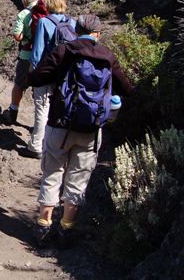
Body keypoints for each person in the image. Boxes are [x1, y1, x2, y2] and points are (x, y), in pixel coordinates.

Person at [27, 14, 133, 247]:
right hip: (91, 130)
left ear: (76, 30)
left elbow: (35, 77)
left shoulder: (65, 51)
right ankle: (66, 229)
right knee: (78, 180)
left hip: (59, 124)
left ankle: (43, 228)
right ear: (97, 33)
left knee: (52, 174)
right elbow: (126, 88)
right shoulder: (107, 56)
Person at [21, 0, 77, 159]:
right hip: (65, 74)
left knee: (41, 108)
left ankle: (36, 146)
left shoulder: (44, 22)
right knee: (58, 109)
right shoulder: (72, 22)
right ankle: (54, 145)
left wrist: (32, 74)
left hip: (46, 71)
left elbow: (37, 53)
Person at [3, 0, 39, 125]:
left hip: (27, 54)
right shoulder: (48, 11)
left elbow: (18, 36)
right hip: (43, 56)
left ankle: (13, 112)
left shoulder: (24, 13)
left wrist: (27, 37)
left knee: (19, 84)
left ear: (25, 1)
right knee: (40, 89)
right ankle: (39, 122)